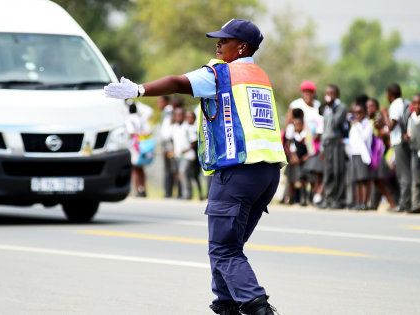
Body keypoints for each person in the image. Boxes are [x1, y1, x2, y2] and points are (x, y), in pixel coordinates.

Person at [103, 18, 286, 314]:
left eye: (224, 40)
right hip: (267, 174)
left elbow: (177, 83)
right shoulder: (258, 75)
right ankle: (225, 305)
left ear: (241, 47)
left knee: (224, 248)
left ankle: (257, 307)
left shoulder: (221, 73)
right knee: (227, 247)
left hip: (237, 171)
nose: (217, 44)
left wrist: (138, 90)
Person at [382, 83, 411, 212]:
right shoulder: (404, 102)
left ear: (390, 95)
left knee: (403, 174)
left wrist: (384, 113)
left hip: (399, 141)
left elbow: (391, 126)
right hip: (404, 142)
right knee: (404, 172)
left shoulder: (395, 105)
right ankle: (406, 201)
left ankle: (404, 203)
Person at [319, 84, 347, 209]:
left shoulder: (340, 107)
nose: (328, 96)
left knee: (337, 171)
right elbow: (324, 127)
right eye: (327, 93)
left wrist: (331, 107)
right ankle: (328, 198)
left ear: (336, 95)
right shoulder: (326, 108)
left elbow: (336, 123)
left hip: (337, 143)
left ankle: (339, 199)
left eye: (331, 93)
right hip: (327, 143)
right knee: (328, 172)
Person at [366, 98, 397, 210]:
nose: (370, 109)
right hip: (371, 156)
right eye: (368, 106)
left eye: (372, 106)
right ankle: (375, 203)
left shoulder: (379, 120)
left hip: (380, 156)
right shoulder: (366, 121)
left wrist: (379, 129)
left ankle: (392, 202)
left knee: (380, 180)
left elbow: (385, 136)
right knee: (377, 181)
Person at [348, 101, 373, 210]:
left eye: (360, 112)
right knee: (357, 180)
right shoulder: (355, 125)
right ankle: (358, 202)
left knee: (364, 179)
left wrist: (356, 126)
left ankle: (364, 202)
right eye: (355, 113)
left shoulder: (368, 124)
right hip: (354, 154)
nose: (357, 115)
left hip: (364, 155)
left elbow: (364, 137)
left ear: (364, 113)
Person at [125, 99, 151, 197]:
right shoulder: (141, 118)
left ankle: (138, 190)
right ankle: (143, 188)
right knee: (141, 168)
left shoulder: (129, 119)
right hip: (143, 144)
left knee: (135, 169)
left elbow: (131, 133)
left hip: (134, 145)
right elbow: (148, 131)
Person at [284, 109, 309, 206]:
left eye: (299, 124)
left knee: (300, 174)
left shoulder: (306, 135)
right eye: (295, 124)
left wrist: (302, 159)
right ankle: (291, 197)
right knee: (292, 171)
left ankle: (303, 197)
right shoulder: (293, 136)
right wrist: (293, 157)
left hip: (303, 161)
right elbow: (290, 148)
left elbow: (310, 150)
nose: (297, 126)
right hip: (294, 161)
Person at [157, 95, 176, 198]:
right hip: (166, 142)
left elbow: (168, 130)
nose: (158, 104)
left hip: (169, 143)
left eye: (160, 102)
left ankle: (170, 192)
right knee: (168, 168)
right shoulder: (165, 112)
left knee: (171, 168)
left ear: (166, 101)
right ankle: (168, 192)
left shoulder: (169, 110)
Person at [185, 110, 204, 200]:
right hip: (189, 155)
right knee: (190, 175)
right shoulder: (186, 127)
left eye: (191, 117)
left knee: (196, 175)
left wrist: (188, 148)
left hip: (195, 155)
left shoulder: (195, 128)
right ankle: (190, 193)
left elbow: (194, 142)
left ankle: (200, 194)